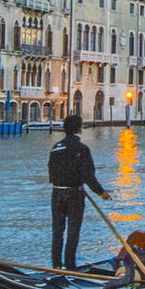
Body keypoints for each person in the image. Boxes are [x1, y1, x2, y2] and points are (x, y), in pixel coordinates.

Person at [48, 113, 108, 271]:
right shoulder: (82, 148)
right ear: (79, 129)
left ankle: (56, 265)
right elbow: (88, 175)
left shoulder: (55, 148)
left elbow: (52, 174)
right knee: (73, 231)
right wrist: (101, 192)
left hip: (56, 193)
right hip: (74, 194)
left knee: (57, 230)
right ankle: (70, 265)